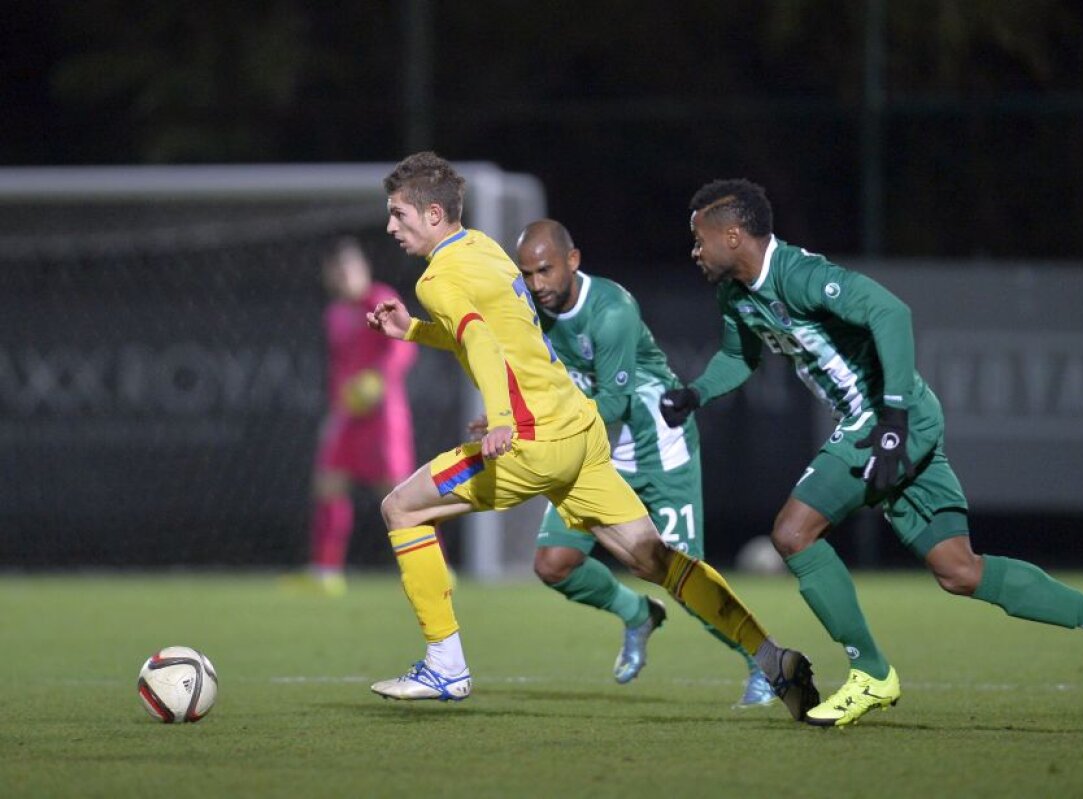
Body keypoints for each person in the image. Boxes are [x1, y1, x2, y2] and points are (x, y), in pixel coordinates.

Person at [660, 178, 1083, 727]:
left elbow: (891, 313)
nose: (695, 251)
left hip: (884, 417)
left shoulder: (798, 275)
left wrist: (894, 420)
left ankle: (871, 673)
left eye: (700, 240)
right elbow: (740, 357)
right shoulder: (735, 295)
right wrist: (696, 393)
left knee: (792, 533)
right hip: (887, 422)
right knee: (959, 571)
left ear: (734, 236)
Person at [362, 152, 819, 720]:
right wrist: (413, 330)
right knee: (653, 558)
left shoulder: (437, 279)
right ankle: (771, 657)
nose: (391, 226)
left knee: (402, 509)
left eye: (399, 214)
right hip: (579, 432)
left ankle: (445, 664)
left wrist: (501, 418)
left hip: (530, 442)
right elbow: (502, 331)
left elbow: (478, 340)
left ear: (433, 214)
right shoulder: (483, 249)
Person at [510, 218, 774, 708]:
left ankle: (765, 661)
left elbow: (613, 404)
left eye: (545, 270)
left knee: (684, 579)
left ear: (573, 261)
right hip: (592, 452)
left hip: (656, 450)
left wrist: (535, 430)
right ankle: (637, 613)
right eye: (526, 273)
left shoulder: (611, 311)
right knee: (554, 564)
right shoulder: (525, 309)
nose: (536, 283)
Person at [287, 238, 418, 596]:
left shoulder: (380, 300)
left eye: (349, 269)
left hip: (383, 415)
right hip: (347, 414)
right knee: (328, 484)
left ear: (364, 269)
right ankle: (325, 573)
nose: (344, 276)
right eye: (337, 271)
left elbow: (404, 345)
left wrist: (377, 380)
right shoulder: (335, 314)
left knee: (399, 495)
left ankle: (429, 568)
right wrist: (336, 410)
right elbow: (339, 369)